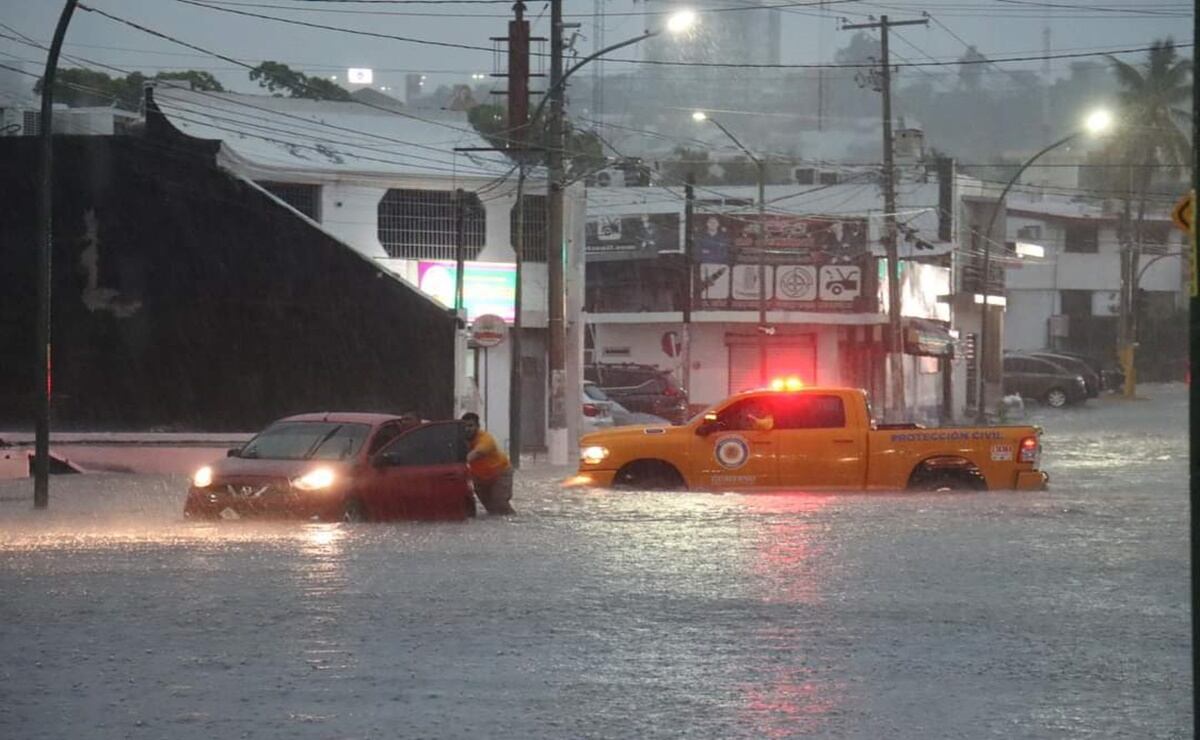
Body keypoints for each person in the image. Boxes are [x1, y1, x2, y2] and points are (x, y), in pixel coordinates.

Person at [461, 412, 515, 515]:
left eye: (471, 426)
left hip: (501, 474)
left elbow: (477, 453)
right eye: (465, 426)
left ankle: (513, 523)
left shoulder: (485, 439)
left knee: (500, 505)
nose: (467, 429)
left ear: (477, 427)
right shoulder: (460, 439)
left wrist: (460, 463)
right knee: (491, 509)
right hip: (480, 478)